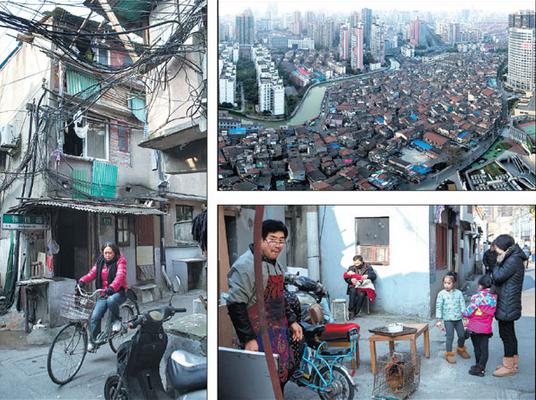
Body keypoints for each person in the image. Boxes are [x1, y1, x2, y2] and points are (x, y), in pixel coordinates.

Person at [226, 220, 303, 390]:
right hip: (257, 335)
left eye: (281, 240)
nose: (277, 245)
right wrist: (248, 339)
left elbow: (281, 296)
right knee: (260, 383)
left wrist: (292, 321)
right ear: (259, 239)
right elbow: (236, 305)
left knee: (279, 377)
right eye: (272, 239)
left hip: (278, 333)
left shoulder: (277, 265)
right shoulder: (244, 266)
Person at [77, 242, 128, 351]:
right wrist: (82, 281)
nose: (108, 255)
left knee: (111, 300)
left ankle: (116, 320)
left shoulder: (120, 261)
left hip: (118, 292)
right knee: (95, 317)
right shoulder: (100, 262)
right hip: (104, 293)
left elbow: (120, 276)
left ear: (115, 253)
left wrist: (112, 287)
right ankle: (94, 341)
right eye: (105, 253)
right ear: (102, 253)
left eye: (110, 253)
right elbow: (92, 274)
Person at [490, 234, 527, 377]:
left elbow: (498, 276)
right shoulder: (513, 258)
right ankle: (513, 363)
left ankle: (509, 366)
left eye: (498, 247)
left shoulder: (512, 260)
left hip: (507, 303)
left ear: (504, 247)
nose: (497, 251)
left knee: (506, 334)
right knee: (509, 333)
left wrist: (497, 263)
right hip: (508, 301)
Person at [462, 274, 497, 377]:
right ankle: (482, 367)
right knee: (484, 349)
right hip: (486, 329)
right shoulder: (494, 298)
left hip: (474, 328)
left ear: (481, 286)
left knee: (477, 348)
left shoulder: (477, 297)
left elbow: (469, 312)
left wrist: (462, 314)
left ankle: (478, 366)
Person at [435, 271, 470, 363]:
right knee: (450, 337)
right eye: (445, 283)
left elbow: (462, 304)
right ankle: (449, 353)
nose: (446, 285)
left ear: (454, 283)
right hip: (448, 319)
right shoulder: (441, 294)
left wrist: (465, 316)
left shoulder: (458, 293)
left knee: (462, 335)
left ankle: (461, 348)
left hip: (458, 319)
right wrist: (439, 319)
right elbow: (439, 306)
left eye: (449, 283)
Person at [344, 255, 377, 319]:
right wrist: (351, 280)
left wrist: (367, 276)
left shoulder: (368, 267)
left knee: (361, 294)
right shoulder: (351, 267)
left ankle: (356, 311)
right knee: (353, 292)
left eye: (358, 263)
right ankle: (351, 311)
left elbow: (374, 276)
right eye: (355, 263)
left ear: (362, 262)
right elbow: (346, 278)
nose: (356, 265)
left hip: (363, 286)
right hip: (353, 285)